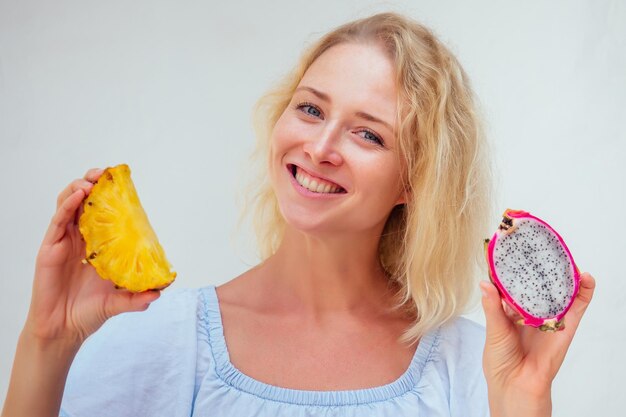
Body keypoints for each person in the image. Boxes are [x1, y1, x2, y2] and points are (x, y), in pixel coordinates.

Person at [2, 12, 595, 417]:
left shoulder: (477, 371)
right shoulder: (163, 340)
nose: (320, 147)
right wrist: (46, 343)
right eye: (310, 109)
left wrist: (524, 405)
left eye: (368, 134)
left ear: (413, 182)